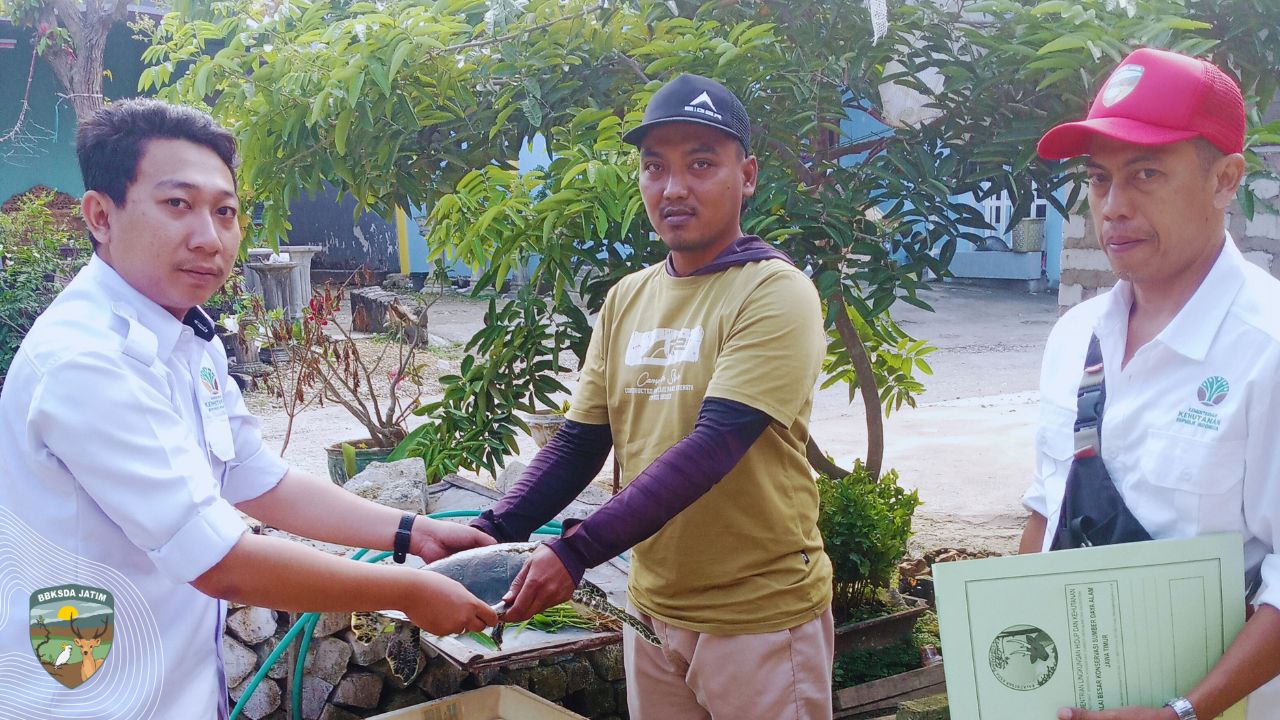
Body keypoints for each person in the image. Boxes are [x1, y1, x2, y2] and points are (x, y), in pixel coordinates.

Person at [0, 99, 498, 718]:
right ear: (101, 215)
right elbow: (221, 563)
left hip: (174, 686)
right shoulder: (86, 361)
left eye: (225, 211)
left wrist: (411, 533)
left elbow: (254, 476)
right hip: (87, 697)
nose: (209, 238)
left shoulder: (186, 335)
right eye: (177, 204)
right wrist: (406, 590)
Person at [470, 74, 834, 719]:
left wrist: (575, 552)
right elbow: (581, 440)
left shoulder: (774, 292)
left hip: (757, 616)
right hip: (654, 607)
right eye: (654, 167)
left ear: (746, 175)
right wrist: (492, 531)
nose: (674, 188)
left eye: (701, 163)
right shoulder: (628, 297)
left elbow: (714, 445)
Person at [1022, 48, 1280, 720]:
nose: (1114, 207)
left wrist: (1183, 712)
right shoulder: (1075, 337)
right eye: (1100, 179)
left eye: (1146, 174)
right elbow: (1048, 510)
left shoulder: (1268, 350)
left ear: (1226, 179)